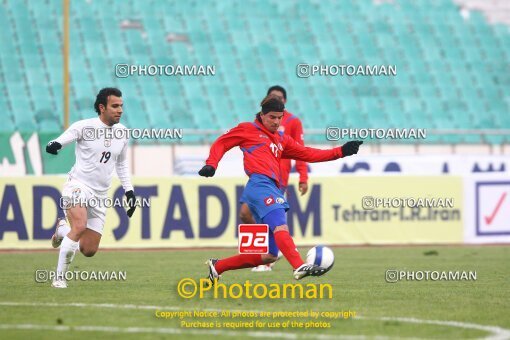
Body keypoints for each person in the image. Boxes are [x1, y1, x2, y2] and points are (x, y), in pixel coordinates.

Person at [198, 95, 362, 284]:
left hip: (272, 187)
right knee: (280, 225)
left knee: (269, 255)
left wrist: (340, 151)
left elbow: (308, 153)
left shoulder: (282, 140)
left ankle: (218, 266)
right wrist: (211, 164)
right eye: (272, 117)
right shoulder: (247, 129)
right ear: (262, 115)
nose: (276, 122)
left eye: (279, 118)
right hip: (259, 185)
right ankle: (298, 265)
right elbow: (222, 142)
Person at [46, 87, 136, 288]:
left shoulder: (123, 133)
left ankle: (62, 230)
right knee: (79, 227)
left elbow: (121, 164)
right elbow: (62, 139)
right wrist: (55, 145)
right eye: (115, 106)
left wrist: (129, 190)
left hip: (100, 194)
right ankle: (59, 279)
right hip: (78, 185)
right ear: (102, 107)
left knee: (89, 250)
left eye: (121, 106)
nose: (120, 110)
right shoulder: (84, 126)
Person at [240, 85, 308, 272]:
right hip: (260, 176)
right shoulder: (262, 123)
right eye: (271, 97)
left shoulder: (293, 122)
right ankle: (263, 254)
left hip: (278, 177)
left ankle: (267, 260)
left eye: (278, 97)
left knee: (270, 217)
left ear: (284, 102)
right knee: (245, 214)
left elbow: (301, 150)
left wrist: (303, 176)